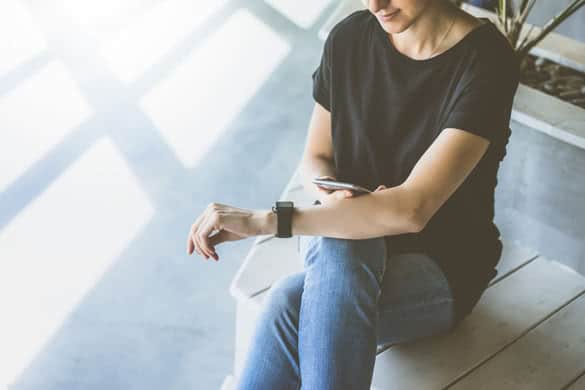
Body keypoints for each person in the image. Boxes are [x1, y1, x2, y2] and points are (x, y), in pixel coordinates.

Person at [186, 0, 520, 388]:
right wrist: (339, 199)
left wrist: (266, 220)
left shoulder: (487, 61)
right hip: (337, 236)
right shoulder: (349, 39)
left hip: (442, 262)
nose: (375, 4)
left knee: (289, 301)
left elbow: (412, 209)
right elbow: (317, 156)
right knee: (345, 244)